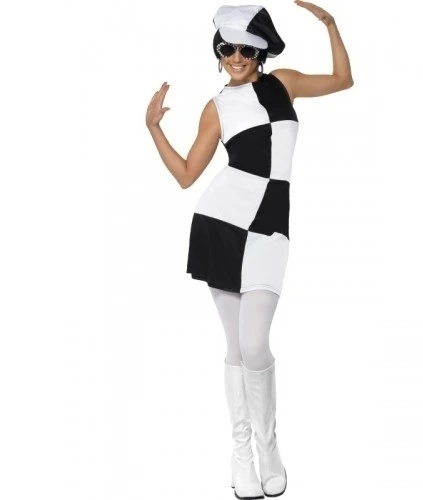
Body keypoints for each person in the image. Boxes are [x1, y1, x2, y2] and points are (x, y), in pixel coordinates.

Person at [146, 2, 353, 498]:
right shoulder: (216, 106)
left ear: (259, 52)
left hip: (270, 227)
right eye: (227, 49)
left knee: (256, 344)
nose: (235, 57)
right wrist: (154, 128)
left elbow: (343, 80)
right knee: (238, 347)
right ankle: (242, 455)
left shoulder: (283, 83)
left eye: (244, 49)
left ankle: (269, 447)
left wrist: (330, 25)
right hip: (221, 222)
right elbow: (187, 176)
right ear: (218, 52)